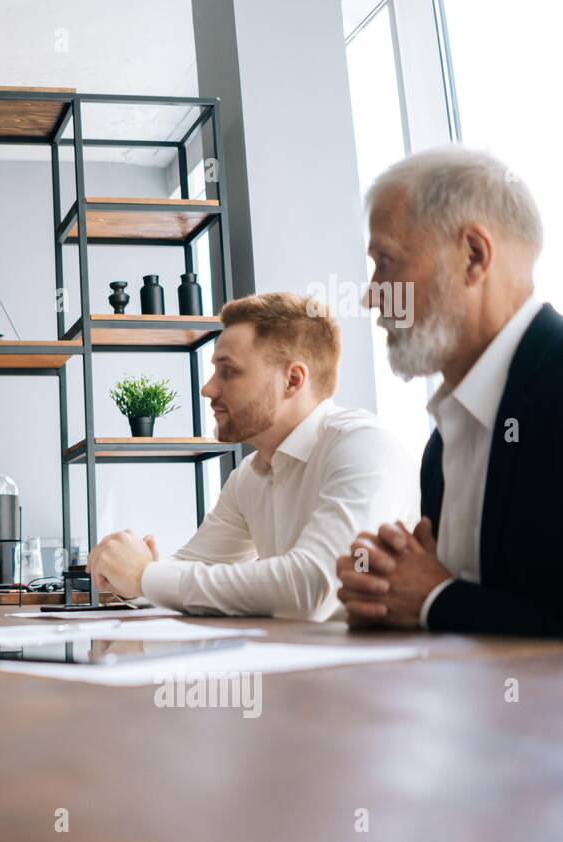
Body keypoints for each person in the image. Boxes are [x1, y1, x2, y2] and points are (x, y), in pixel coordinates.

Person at [336, 146, 560, 634]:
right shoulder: (442, 444)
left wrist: (433, 599)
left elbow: (447, 601)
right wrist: (387, 590)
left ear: (473, 256)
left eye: (387, 262)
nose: (372, 295)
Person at [86, 292, 418, 621]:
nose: (208, 389)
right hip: (304, 665)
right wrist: (131, 578)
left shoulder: (363, 446)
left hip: (379, 671)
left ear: (292, 380)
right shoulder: (249, 475)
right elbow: (187, 570)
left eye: (228, 372)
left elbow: (313, 587)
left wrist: (146, 577)